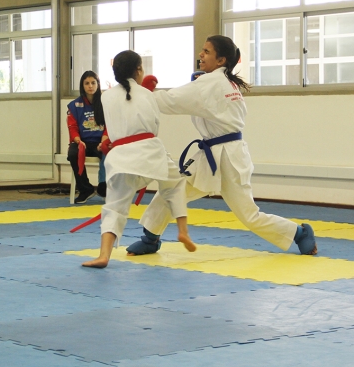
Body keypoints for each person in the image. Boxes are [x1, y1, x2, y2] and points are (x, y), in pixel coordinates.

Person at [126, 35, 317, 256]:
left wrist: (142, 92)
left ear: (221, 60)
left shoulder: (211, 82)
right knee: (173, 190)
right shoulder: (224, 81)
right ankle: (150, 239)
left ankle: (300, 233)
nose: (201, 54)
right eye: (202, 50)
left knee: (248, 214)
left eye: (207, 51)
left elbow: (170, 101)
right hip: (214, 154)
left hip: (227, 156)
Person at [82, 50, 195, 269]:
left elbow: (110, 127)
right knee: (175, 185)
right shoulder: (148, 95)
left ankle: (104, 255)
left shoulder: (105, 96)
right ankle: (183, 231)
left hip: (121, 156)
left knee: (114, 206)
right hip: (150, 150)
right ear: (139, 70)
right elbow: (154, 126)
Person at [67, 71, 107, 203]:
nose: (90, 86)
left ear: (98, 84)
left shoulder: (106, 103)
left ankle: (104, 187)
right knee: (73, 154)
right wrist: (78, 141)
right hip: (82, 142)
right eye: (87, 83)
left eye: (93, 83)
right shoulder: (74, 105)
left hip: (100, 141)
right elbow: (72, 127)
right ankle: (86, 189)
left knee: (111, 154)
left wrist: (104, 141)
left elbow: (110, 125)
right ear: (82, 86)